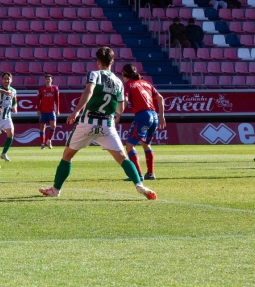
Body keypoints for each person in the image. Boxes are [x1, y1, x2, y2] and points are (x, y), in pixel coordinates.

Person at [39, 47, 157, 200]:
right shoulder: (118, 82)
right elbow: (120, 109)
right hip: (107, 125)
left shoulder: (94, 74)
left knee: (67, 155)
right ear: (112, 62)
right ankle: (139, 185)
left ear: (98, 61)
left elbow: (88, 91)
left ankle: (55, 189)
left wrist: (76, 111)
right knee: (122, 158)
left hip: (88, 122)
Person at [119, 64, 165, 181]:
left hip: (143, 116)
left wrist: (118, 115)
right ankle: (150, 173)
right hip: (154, 116)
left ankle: (138, 175)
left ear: (124, 74)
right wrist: (162, 116)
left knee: (130, 146)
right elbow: (160, 98)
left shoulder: (128, 85)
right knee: (146, 144)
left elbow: (125, 99)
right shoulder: (146, 83)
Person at [36, 74, 60, 149]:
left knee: (54, 126)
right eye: (46, 79)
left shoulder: (55, 88)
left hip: (51, 111)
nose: (48, 80)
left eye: (49, 79)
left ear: (51, 80)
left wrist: (58, 110)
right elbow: (37, 100)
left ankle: (49, 140)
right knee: (42, 127)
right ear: (45, 80)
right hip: (43, 111)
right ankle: (42, 143)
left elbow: (57, 100)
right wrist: (38, 110)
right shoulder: (41, 89)